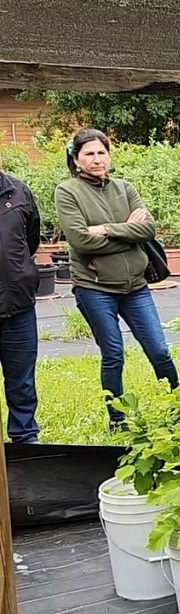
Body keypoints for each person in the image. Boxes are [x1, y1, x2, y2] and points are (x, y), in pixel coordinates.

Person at [54, 128, 179, 430]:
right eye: (89, 154)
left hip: (136, 286)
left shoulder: (125, 188)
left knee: (159, 350)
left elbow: (147, 229)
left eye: (102, 152)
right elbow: (81, 241)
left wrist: (106, 229)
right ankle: (118, 419)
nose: (97, 160)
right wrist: (125, 230)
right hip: (94, 287)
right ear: (76, 158)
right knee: (113, 353)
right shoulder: (67, 191)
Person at [0, 167, 42, 443]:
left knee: (22, 383)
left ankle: (25, 441)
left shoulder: (18, 191)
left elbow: (31, 239)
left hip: (18, 307)